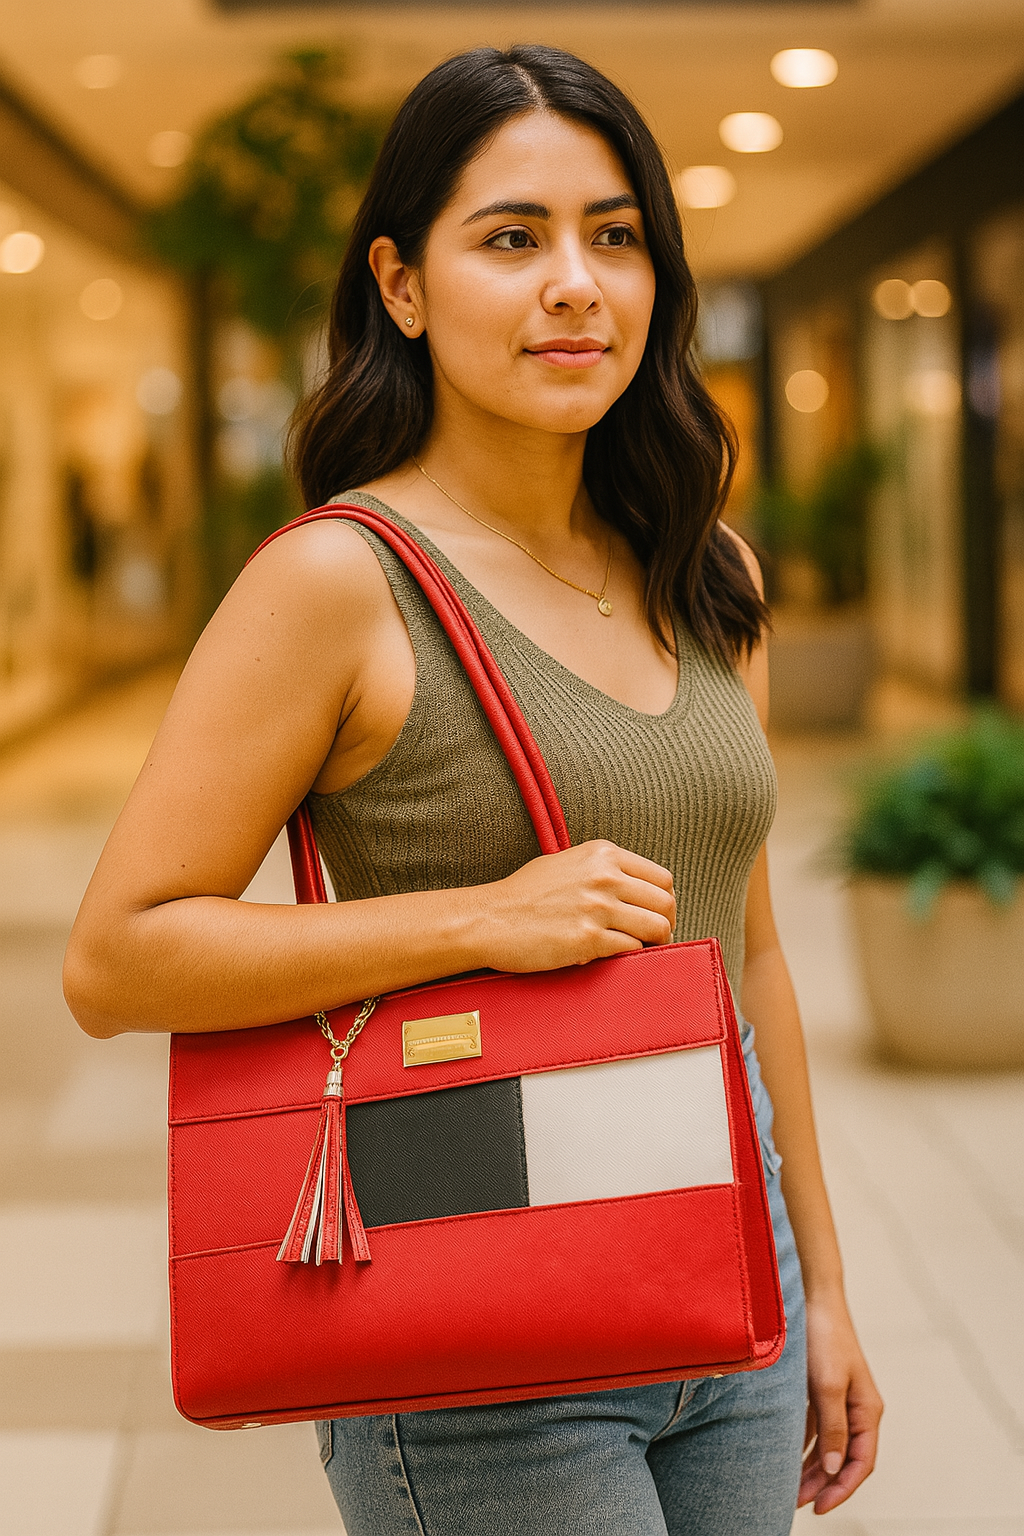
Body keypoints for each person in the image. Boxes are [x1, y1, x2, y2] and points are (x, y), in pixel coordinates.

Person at [64, 44, 882, 1536]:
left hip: (723, 1262)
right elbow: (118, 956)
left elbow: (748, 954)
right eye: (513, 238)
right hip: (480, 1301)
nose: (576, 283)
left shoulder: (708, 576)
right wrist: (482, 919)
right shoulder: (339, 582)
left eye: (615, 235)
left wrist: (821, 1284)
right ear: (402, 285)